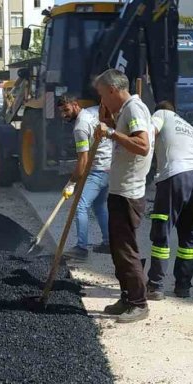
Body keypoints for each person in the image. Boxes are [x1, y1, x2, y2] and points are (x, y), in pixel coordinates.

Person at [93, 69, 154, 324]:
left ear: (112, 90)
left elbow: (142, 145)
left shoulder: (134, 110)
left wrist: (110, 133)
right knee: (118, 250)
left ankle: (139, 303)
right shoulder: (124, 111)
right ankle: (127, 297)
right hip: (120, 191)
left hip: (128, 193)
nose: (102, 101)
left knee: (126, 250)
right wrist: (108, 120)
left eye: (102, 95)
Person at [146, 101, 193, 299]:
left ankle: (155, 286)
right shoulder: (188, 126)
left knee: (162, 232)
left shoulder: (161, 115)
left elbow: (148, 135)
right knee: (189, 235)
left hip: (176, 176)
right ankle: (183, 286)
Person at [57, 94, 113, 260]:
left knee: (81, 207)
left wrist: (72, 183)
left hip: (98, 170)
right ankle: (108, 243)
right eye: (61, 112)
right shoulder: (94, 111)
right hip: (109, 167)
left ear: (75, 105)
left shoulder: (80, 128)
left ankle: (81, 248)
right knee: (99, 205)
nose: (64, 115)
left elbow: (83, 160)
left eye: (66, 110)